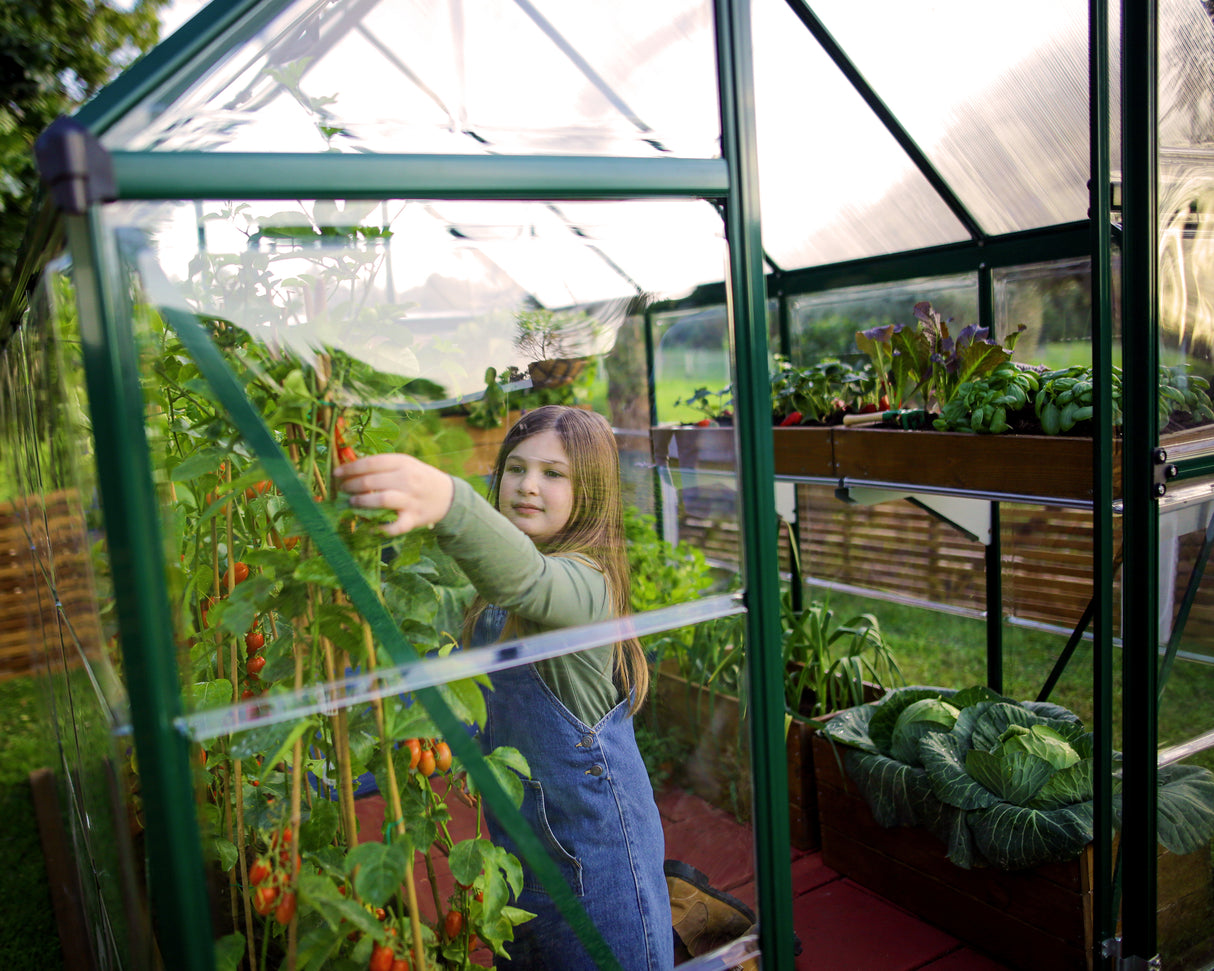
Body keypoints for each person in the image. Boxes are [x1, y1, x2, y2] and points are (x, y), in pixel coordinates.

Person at [335, 404, 673, 971]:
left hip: (603, 866)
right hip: (518, 862)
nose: (527, 486)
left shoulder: (588, 586)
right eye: (515, 469)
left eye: (553, 474)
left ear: (590, 491)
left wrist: (447, 498)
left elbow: (530, 583)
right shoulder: (493, 601)